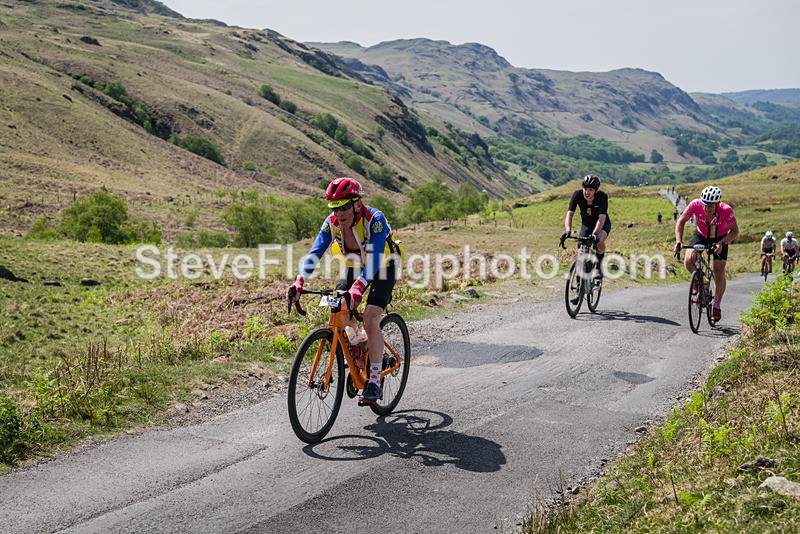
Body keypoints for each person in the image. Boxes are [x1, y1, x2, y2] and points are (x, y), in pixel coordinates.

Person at [286, 177, 403, 404]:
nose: (339, 213)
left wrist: (359, 287)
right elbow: (315, 252)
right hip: (355, 264)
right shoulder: (331, 223)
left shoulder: (375, 220)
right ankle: (358, 348)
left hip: (384, 264)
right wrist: (299, 281)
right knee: (339, 305)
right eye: (334, 208)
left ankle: (375, 381)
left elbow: (375, 257)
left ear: (357, 204)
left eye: (344, 207)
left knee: (370, 318)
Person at [674, 185, 739, 322]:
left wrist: (721, 243)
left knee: (718, 271)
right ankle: (699, 280)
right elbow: (681, 221)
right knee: (688, 260)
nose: (707, 208)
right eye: (705, 204)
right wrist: (679, 241)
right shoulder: (695, 204)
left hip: (720, 238)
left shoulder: (726, 210)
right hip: (701, 234)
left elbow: (734, 231)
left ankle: (716, 306)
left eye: (710, 206)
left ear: (717, 204)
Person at [561, 174, 611, 280]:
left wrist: (595, 234)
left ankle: (599, 267)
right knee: (582, 252)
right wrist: (568, 231)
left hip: (601, 224)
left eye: (590, 190)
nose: (587, 192)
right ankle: (579, 284)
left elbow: (602, 218)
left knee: (599, 240)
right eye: (585, 188)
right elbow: (570, 214)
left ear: (596, 191)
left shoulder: (602, 196)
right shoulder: (577, 195)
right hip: (586, 225)